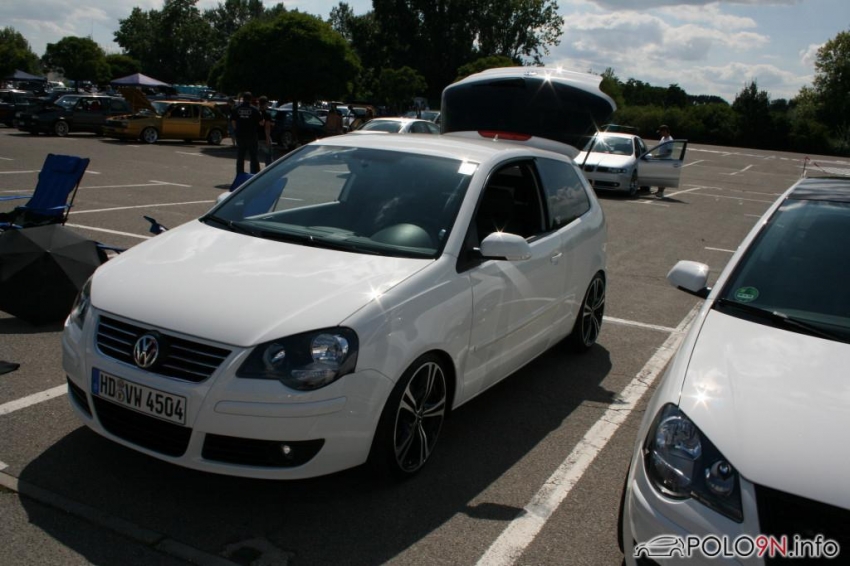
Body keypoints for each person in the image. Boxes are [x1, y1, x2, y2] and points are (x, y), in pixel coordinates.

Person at [231, 92, 263, 174]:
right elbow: (261, 123)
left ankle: (239, 174)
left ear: (243, 98)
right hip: (251, 136)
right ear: (251, 99)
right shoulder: (254, 109)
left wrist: (236, 130)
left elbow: (233, 121)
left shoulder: (237, 109)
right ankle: (254, 174)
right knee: (253, 156)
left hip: (240, 136)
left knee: (240, 156)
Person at [654, 125, 674, 199]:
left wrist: (658, 156)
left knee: (663, 177)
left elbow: (668, 153)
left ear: (665, 131)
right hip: (661, 160)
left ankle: (661, 192)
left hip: (666, 161)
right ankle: (659, 190)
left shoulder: (669, 140)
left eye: (661, 132)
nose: (660, 133)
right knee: (659, 176)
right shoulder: (663, 138)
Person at [258, 95, 273, 167]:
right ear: (265, 103)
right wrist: (267, 139)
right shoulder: (267, 114)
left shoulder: (255, 112)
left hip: (255, 137)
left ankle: (255, 170)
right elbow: (267, 127)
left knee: (255, 157)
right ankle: (268, 170)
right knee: (268, 156)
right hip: (263, 137)